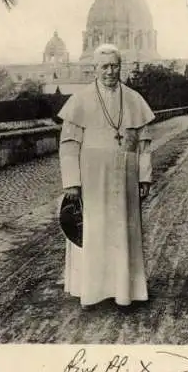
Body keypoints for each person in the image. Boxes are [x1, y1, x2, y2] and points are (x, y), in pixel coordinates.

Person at [58, 44, 155, 309]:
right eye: (105, 67)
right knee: (95, 230)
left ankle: (125, 291)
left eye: (115, 66)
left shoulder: (134, 99)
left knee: (124, 231)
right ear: (95, 69)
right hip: (92, 178)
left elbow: (145, 143)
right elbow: (68, 145)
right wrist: (72, 183)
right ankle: (91, 290)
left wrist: (144, 178)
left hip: (126, 176)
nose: (110, 71)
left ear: (120, 67)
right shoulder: (80, 100)